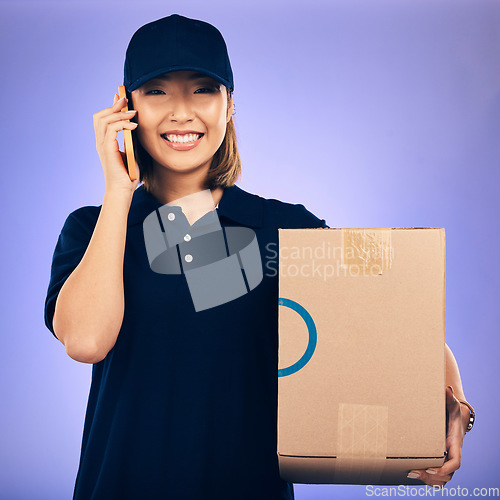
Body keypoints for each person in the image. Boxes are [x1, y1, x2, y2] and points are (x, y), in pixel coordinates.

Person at [44, 13, 474, 500]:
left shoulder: (283, 229)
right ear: (127, 108)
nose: (181, 112)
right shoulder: (92, 228)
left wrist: (454, 405)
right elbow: (85, 341)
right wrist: (118, 193)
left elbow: (399, 329)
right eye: (157, 91)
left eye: (202, 89)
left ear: (229, 105)